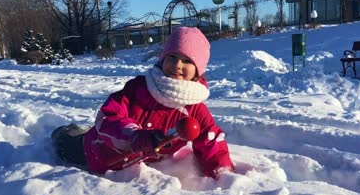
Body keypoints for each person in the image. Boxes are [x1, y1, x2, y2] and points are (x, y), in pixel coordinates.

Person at [52, 27, 234, 179]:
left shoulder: (195, 109)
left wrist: (223, 174)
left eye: (187, 60)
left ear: (198, 70)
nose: (177, 65)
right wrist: (134, 136)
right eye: (172, 57)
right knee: (64, 144)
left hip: (133, 167)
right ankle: (66, 132)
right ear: (163, 59)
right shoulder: (139, 88)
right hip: (97, 153)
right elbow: (108, 116)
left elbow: (212, 142)